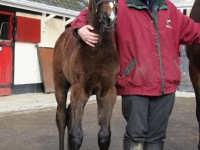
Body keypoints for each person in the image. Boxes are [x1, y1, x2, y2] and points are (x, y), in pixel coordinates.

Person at [70, 0, 200, 149]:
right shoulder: (123, 5)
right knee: (135, 136)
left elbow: (195, 31)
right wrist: (79, 27)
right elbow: (92, 9)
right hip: (136, 86)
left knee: (156, 139)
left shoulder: (168, 8)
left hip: (166, 88)